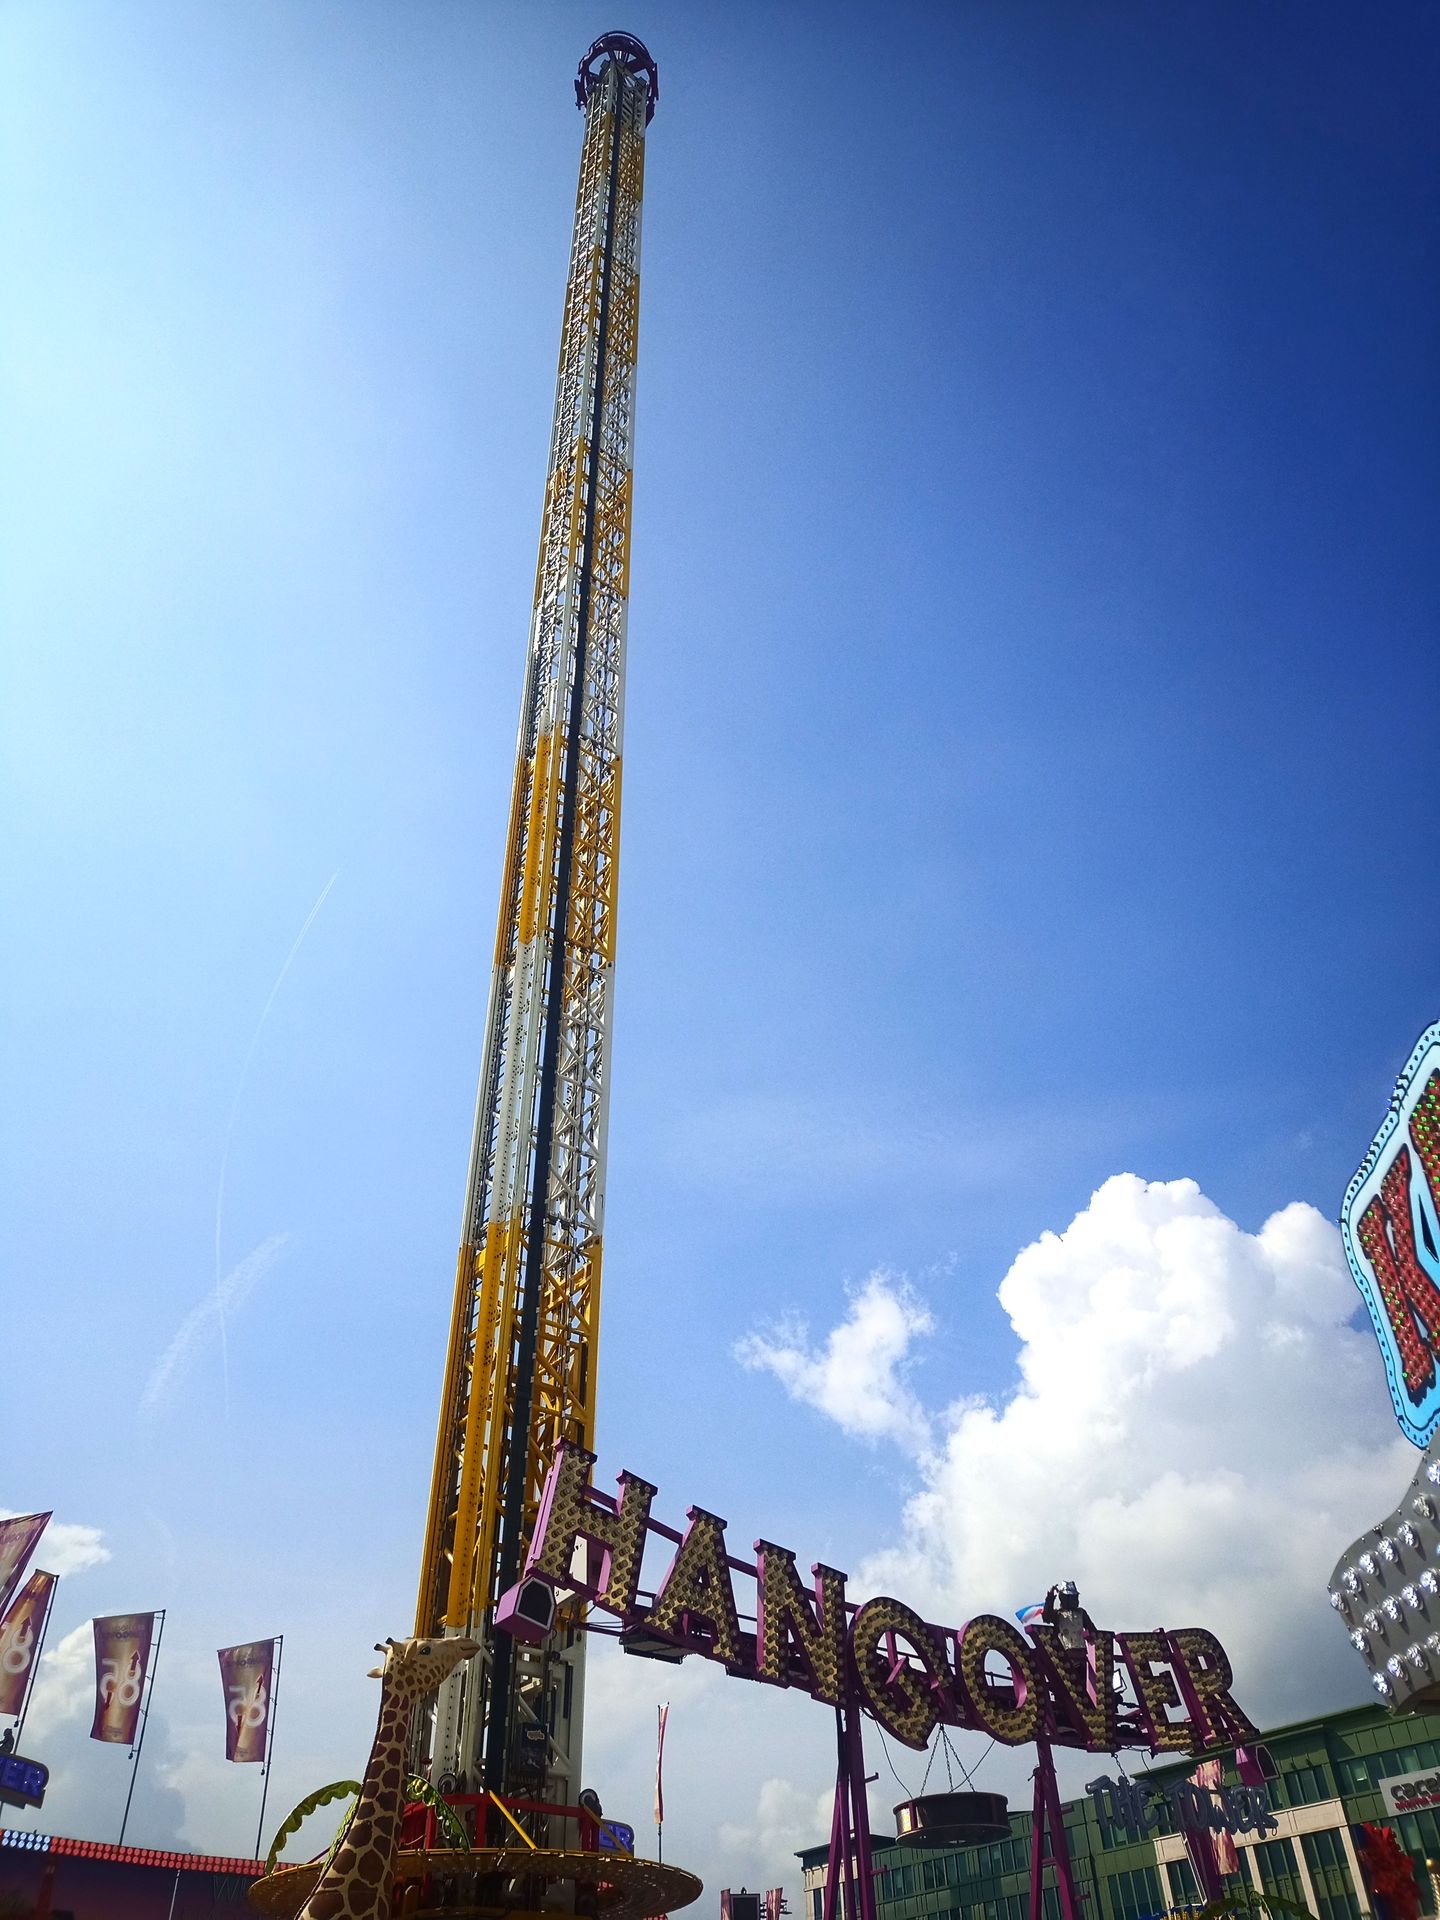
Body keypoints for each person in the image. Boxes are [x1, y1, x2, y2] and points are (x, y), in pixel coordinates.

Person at [1042, 1580, 1095, 1651]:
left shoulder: (1081, 1613)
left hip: (1080, 1650)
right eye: (1068, 1597)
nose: (1071, 1600)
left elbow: (1091, 1629)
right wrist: (1050, 1597)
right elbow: (1046, 1617)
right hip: (1063, 1651)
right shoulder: (1058, 1614)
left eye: (1073, 1597)